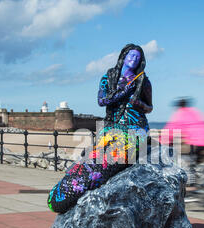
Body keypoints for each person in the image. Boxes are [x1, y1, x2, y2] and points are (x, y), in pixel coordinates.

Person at [48, 44, 153, 214]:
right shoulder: (109, 77)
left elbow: (149, 107)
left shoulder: (143, 80)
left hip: (135, 127)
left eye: (138, 57)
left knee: (109, 158)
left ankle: (73, 191)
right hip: (112, 127)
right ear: (123, 57)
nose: (134, 59)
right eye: (131, 55)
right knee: (97, 156)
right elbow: (102, 100)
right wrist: (125, 90)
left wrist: (138, 103)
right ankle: (66, 190)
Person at [160, 97, 204, 190]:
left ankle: (192, 186)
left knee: (190, 161)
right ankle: (199, 180)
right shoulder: (194, 111)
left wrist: (161, 141)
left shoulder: (180, 114)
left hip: (199, 141)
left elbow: (170, 130)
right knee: (194, 161)